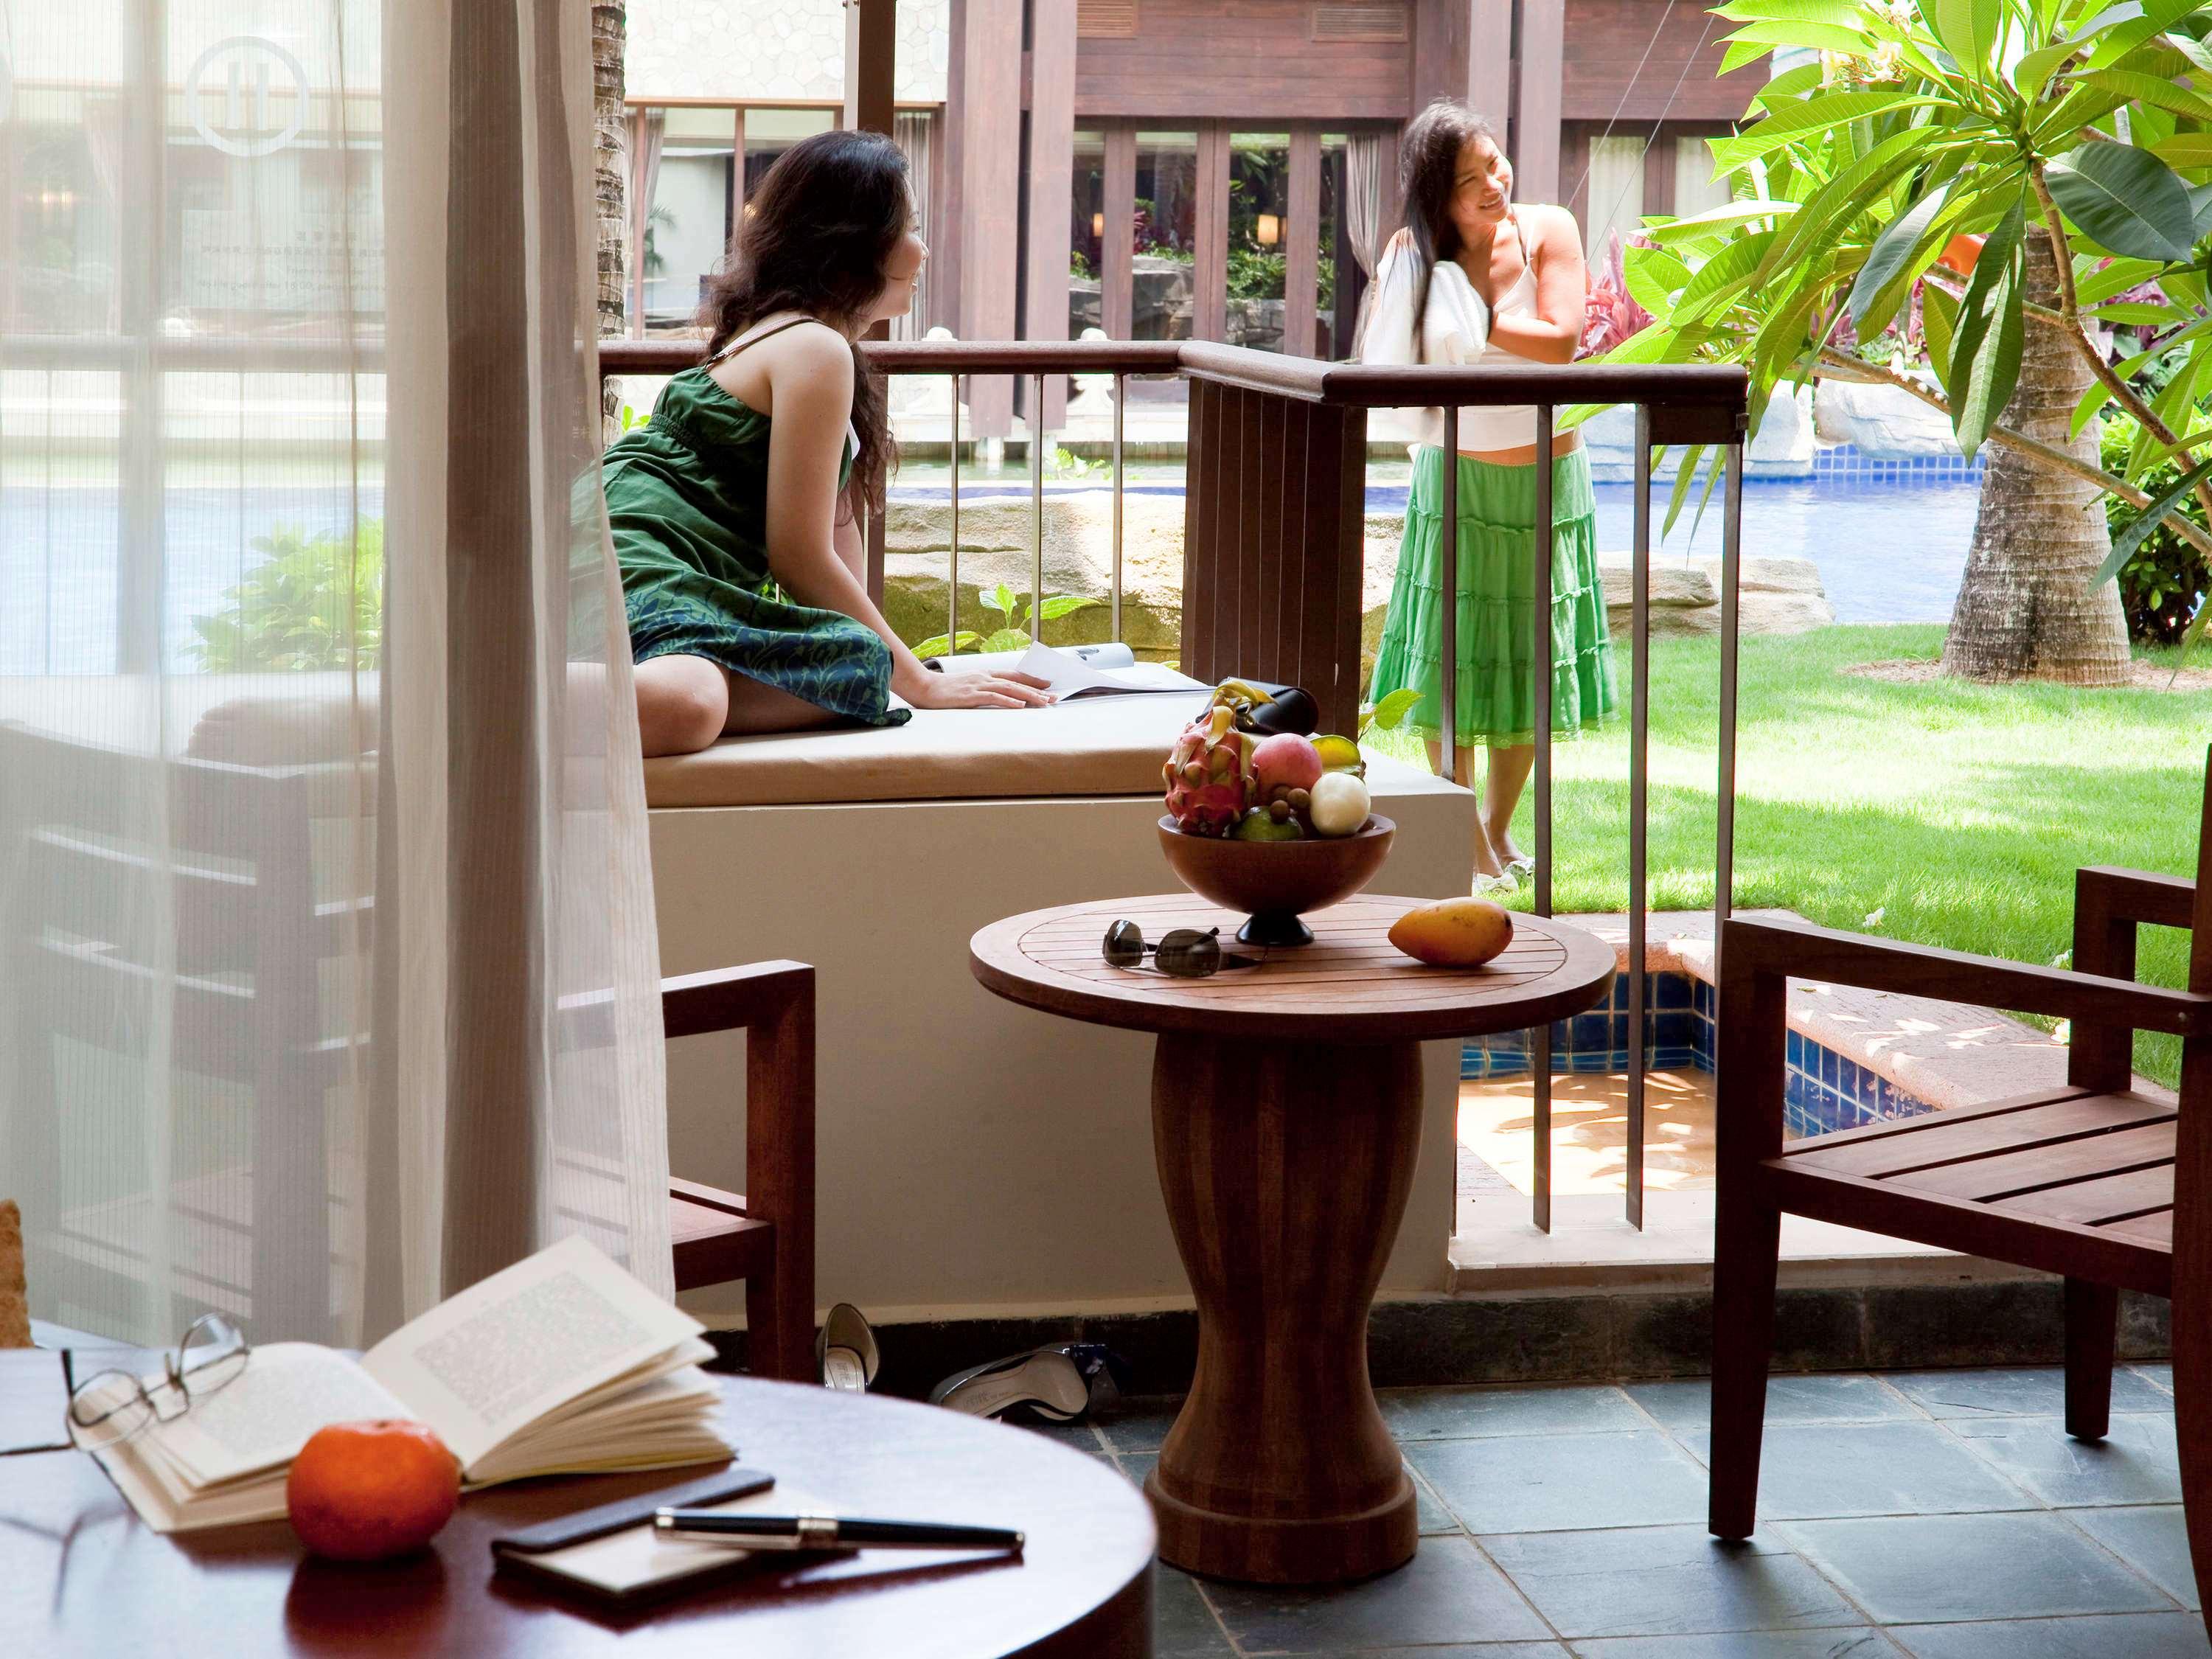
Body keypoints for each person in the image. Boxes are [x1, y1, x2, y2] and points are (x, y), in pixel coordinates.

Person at [605, 129, 1051, 757]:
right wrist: (921, 681)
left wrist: (906, 673)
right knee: (691, 706)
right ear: (852, 243)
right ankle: (472, 696)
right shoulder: (814, 347)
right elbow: (799, 557)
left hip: (668, 565)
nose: (920, 249)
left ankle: (630, 683)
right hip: (639, 549)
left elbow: (835, 567)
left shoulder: (800, 342)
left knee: (859, 670)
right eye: (908, 226)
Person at [1360, 100, 1616, 880]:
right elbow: (1387, 366)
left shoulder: (1547, 231)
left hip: (1549, 484)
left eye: (1495, 163)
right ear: (1437, 193)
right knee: (1452, 661)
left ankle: (1501, 831)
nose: (1492, 184)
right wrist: (1437, 304)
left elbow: (1562, 342)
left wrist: (1471, 319)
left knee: (1531, 661)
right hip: (1456, 481)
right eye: (1469, 179)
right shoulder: (1413, 250)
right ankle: (1466, 839)